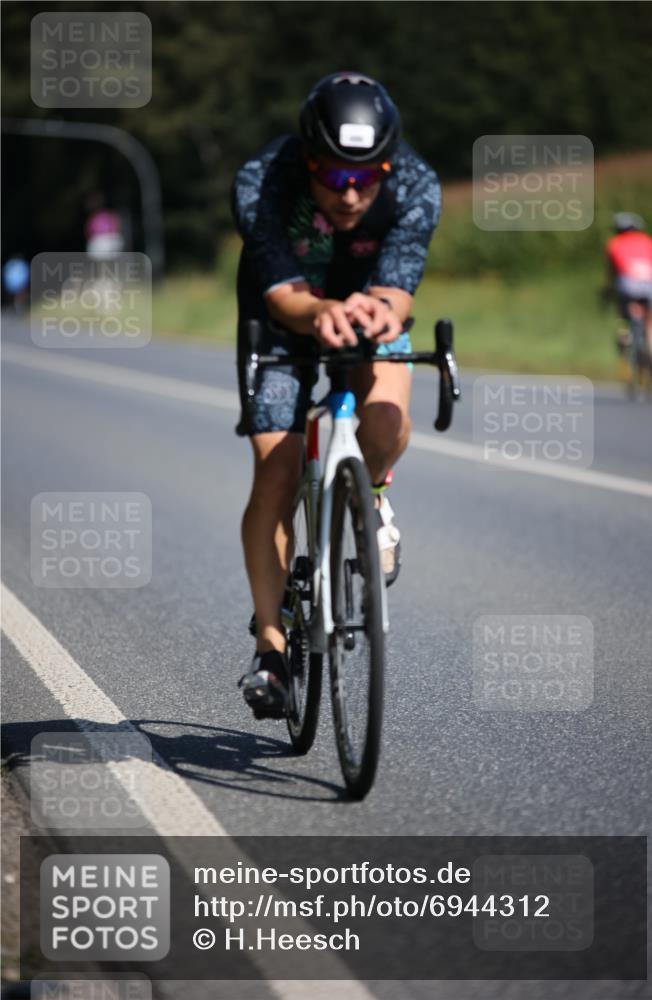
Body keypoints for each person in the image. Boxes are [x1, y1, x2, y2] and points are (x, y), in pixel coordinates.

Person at [231, 71, 442, 718]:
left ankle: (370, 495)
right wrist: (321, 312)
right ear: (307, 159)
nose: (351, 193)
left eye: (367, 176)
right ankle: (270, 648)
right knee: (277, 469)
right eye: (334, 176)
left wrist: (379, 312)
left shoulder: (416, 185)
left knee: (385, 418)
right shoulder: (263, 179)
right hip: (284, 317)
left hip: (368, 310)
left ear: (389, 164)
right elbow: (282, 295)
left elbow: (397, 290)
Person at [606, 213, 652, 375]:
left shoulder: (614, 243)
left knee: (624, 319)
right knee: (651, 324)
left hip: (628, 286)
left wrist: (607, 290)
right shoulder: (647, 241)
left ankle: (627, 342)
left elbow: (612, 273)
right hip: (651, 285)